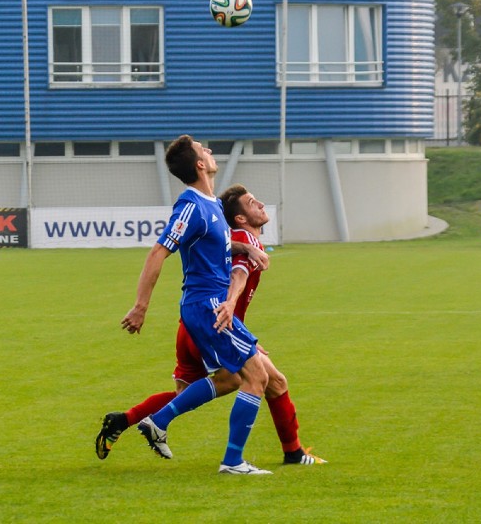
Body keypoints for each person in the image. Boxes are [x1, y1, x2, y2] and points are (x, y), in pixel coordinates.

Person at [96, 184, 326, 466]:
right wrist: (232, 312)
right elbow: (238, 275)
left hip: (192, 325)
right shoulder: (248, 241)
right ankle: (287, 454)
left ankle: (124, 419)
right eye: (253, 202)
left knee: (188, 393)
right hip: (216, 322)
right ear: (240, 217)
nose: (261, 205)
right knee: (256, 380)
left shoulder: (227, 237)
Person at [110, 135, 272, 475]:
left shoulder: (212, 205)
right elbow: (159, 251)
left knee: (230, 378)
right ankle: (232, 461)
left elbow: (215, 252)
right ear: (199, 164)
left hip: (207, 304)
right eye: (203, 149)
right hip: (207, 305)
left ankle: (159, 421)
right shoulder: (191, 206)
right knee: (256, 375)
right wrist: (140, 306)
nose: (209, 151)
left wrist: (246, 249)